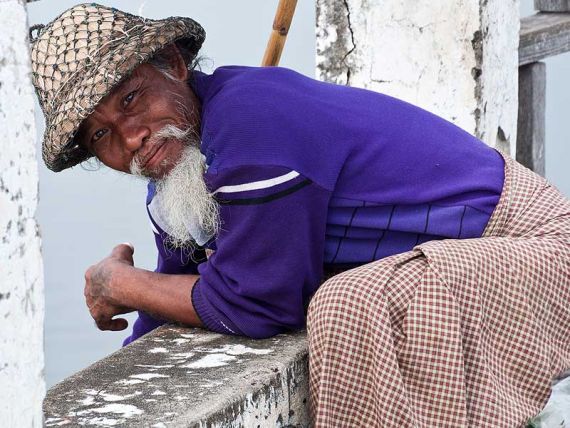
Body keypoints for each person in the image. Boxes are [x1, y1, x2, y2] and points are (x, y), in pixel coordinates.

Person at [30, 3, 570, 427]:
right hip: (468, 258)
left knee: (347, 305)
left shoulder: (250, 122)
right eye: (100, 134)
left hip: (533, 247)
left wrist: (118, 283)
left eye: (131, 99)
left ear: (174, 65)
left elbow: (256, 303)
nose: (130, 137)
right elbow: (173, 290)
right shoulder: (182, 176)